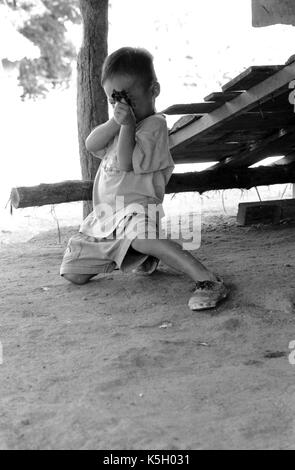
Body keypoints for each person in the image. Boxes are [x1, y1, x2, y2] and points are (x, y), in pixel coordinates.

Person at [60, 47, 228, 310]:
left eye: (128, 99)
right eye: (114, 100)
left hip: (137, 213)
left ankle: (207, 280)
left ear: (154, 90)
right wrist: (117, 123)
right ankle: (138, 254)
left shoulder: (154, 127)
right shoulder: (119, 127)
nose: (121, 106)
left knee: (143, 237)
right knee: (73, 273)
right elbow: (91, 144)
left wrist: (126, 125)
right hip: (106, 217)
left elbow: (126, 163)